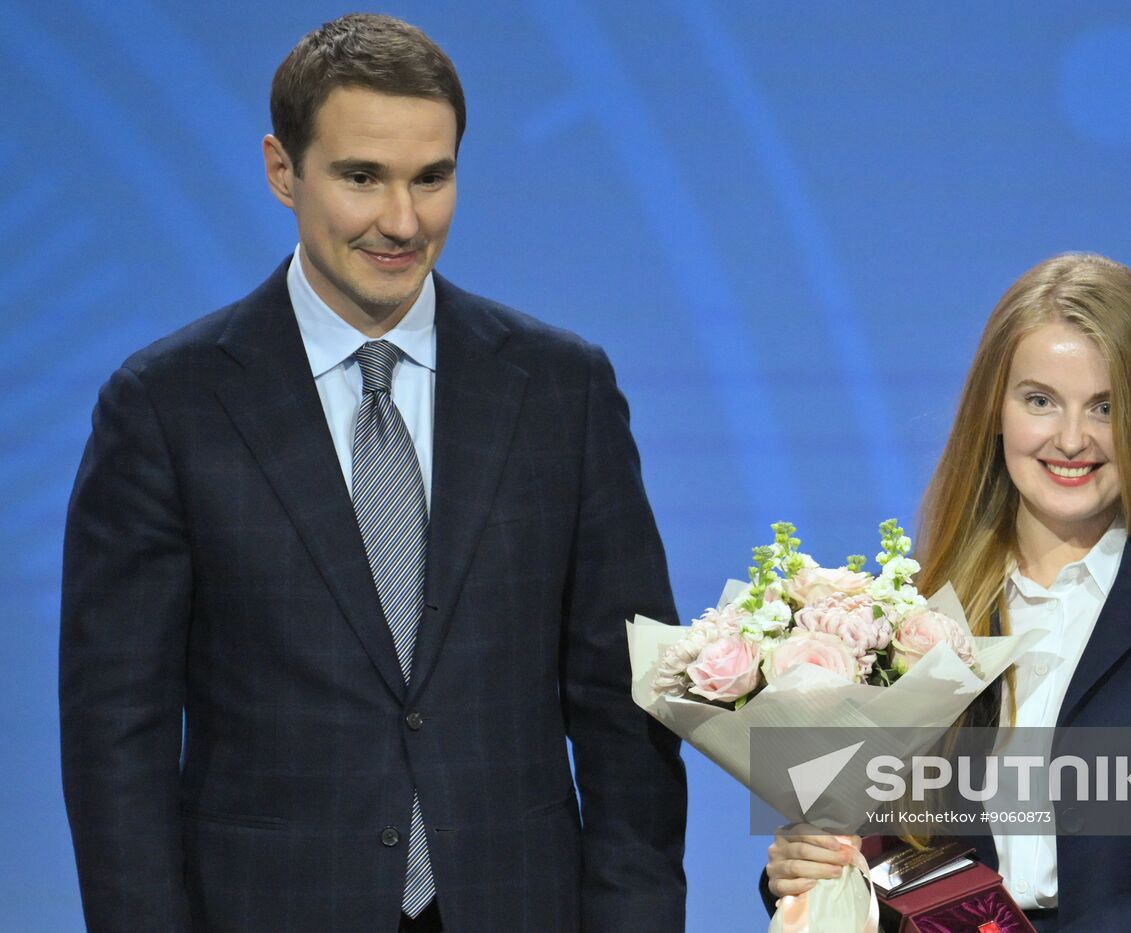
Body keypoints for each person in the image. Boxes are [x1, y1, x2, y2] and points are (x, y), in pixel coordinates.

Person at [59, 14, 685, 933]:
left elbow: (624, 710)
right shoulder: (165, 406)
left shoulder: (562, 388)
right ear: (282, 170)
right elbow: (118, 736)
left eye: (432, 177)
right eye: (362, 177)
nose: (402, 221)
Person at [762, 253, 1131, 930]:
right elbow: (877, 848)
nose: (1071, 439)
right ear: (995, 413)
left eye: (1106, 407)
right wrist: (804, 867)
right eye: (1040, 401)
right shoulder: (908, 617)